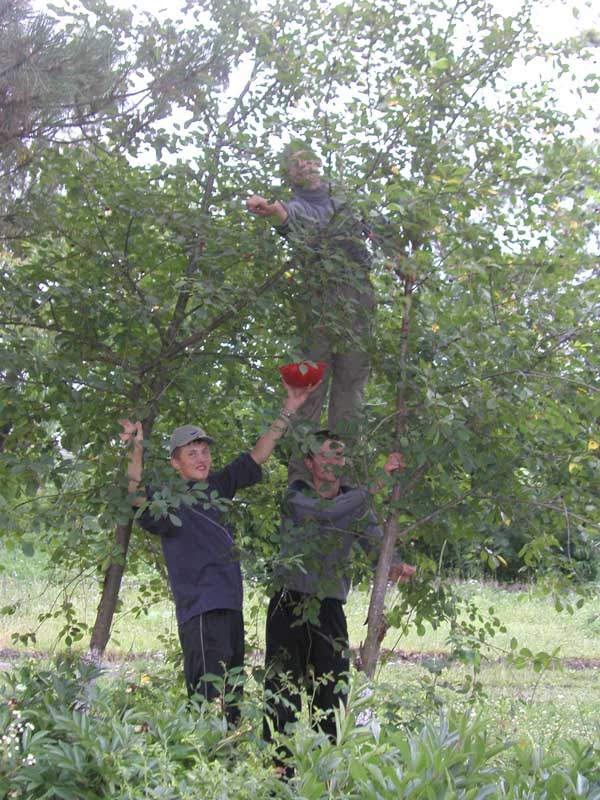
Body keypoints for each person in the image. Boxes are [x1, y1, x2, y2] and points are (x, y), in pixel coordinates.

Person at [118, 378, 318, 724]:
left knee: (231, 700)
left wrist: (290, 408)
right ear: (175, 463)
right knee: (208, 702)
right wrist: (135, 449)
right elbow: (133, 495)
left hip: (230, 606)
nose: (202, 458)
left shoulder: (219, 486)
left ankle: (229, 754)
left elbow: (259, 453)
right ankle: (204, 754)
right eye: (191, 453)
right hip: (200, 611)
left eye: (205, 451)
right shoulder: (167, 500)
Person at [263, 431, 415, 764]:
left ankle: (326, 773)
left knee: (332, 695)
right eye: (325, 455)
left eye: (339, 456)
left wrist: (395, 566)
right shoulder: (296, 496)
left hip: (329, 609)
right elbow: (325, 513)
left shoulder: (354, 503)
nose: (333, 462)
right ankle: (277, 774)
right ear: (309, 462)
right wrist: (374, 486)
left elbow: (376, 547)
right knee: (281, 693)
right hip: (288, 604)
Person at [246, 141, 375, 481]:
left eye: (307, 160)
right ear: (289, 174)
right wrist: (274, 212)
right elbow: (293, 219)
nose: (303, 166)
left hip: (357, 298)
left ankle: (344, 481)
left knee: (350, 390)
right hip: (316, 302)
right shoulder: (296, 205)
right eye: (294, 164)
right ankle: (300, 482)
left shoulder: (346, 199)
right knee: (307, 390)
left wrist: (402, 261)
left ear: (318, 163)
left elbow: (378, 229)